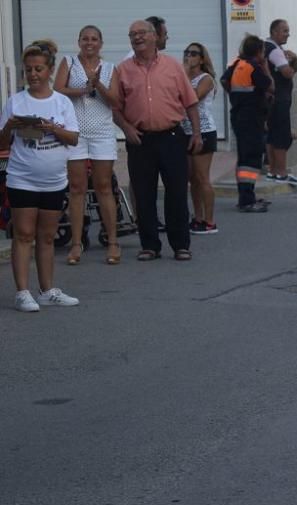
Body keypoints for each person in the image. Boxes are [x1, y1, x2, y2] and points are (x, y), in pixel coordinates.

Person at [1, 40, 80, 312]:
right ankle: (22, 292)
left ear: (49, 70)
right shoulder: (15, 101)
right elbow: (2, 143)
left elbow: (73, 138)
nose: (33, 75)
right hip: (22, 177)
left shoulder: (62, 102)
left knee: (47, 237)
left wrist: (53, 128)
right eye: (28, 70)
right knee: (24, 234)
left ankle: (47, 290)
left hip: (54, 179)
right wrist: (10, 126)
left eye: (38, 69)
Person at [116, 19, 200, 261]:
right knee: (143, 194)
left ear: (155, 36)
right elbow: (115, 107)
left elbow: (191, 102)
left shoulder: (173, 66)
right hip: (140, 140)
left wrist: (195, 133)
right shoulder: (123, 70)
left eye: (142, 33)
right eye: (132, 34)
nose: (137, 37)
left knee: (175, 192)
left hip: (172, 137)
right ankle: (150, 246)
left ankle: (180, 245)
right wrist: (126, 128)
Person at [53, 25, 120, 265]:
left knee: (103, 186)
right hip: (75, 132)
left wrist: (98, 84)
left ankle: (112, 242)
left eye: (94, 39)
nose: (89, 43)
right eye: (85, 39)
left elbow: (116, 100)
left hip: (102, 131)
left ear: (101, 43)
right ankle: (76, 243)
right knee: (77, 188)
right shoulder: (69, 62)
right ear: (79, 41)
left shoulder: (111, 68)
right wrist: (84, 89)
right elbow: (58, 90)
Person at [220, 35, 271, 213]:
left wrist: (235, 97)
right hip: (252, 118)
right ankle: (247, 199)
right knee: (251, 159)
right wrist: (265, 67)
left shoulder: (237, 64)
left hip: (239, 116)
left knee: (244, 157)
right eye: (263, 50)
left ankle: (246, 195)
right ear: (258, 51)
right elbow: (269, 86)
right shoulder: (254, 67)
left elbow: (224, 80)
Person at [180, 42, 218, 233]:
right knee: (192, 178)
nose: (189, 56)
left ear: (202, 59)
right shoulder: (184, 76)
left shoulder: (206, 78)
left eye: (194, 54)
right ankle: (198, 216)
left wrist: (184, 75)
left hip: (203, 131)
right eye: (187, 53)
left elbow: (192, 97)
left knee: (203, 177)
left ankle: (210, 220)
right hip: (184, 131)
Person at [264, 19, 297, 186]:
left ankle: (272, 171)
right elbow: (287, 73)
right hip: (279, 100)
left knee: (272, 136)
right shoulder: (274, 51)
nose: (288, 34)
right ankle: (281, 172)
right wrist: (294, 60)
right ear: (274, 32)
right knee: (281, 136)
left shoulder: (270, 48)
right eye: (284, 30)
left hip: (272, 100)